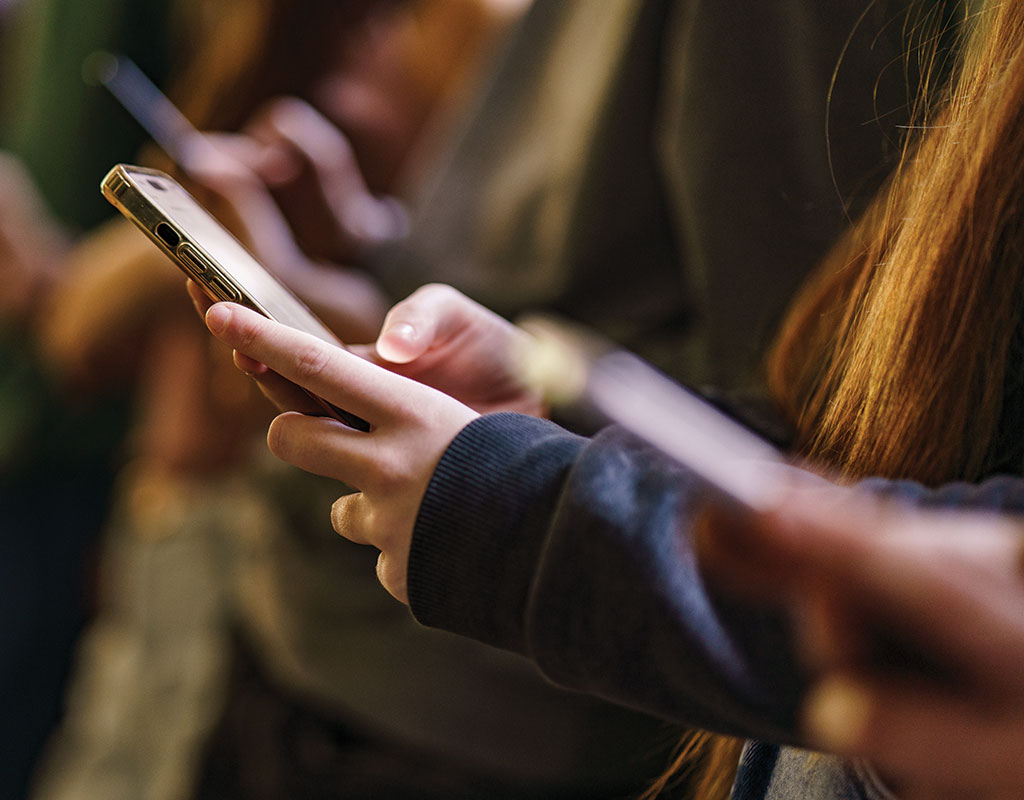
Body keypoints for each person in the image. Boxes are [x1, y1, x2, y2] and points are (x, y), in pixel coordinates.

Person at [186, 0, 1024, 796]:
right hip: (359, 636)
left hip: (474, 709)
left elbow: (822, 405)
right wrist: (394, 269)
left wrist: (511, 494)